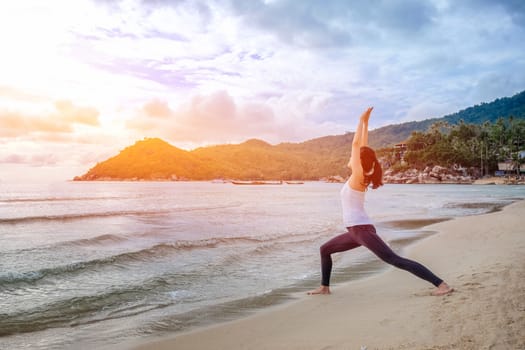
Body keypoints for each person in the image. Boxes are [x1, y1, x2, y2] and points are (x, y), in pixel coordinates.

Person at [308, 107, 453, 296]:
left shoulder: (358, 176)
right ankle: (324, 287)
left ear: (359, 162)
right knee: (325, 249)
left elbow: (356, 145)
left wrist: (360, 121)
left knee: (394, 259)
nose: (350, 158)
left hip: (361, 230)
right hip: (355, 230)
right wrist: (366, 123)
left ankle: (441, 285)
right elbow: (362, 147)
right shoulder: (361, 175)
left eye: (355, 158)